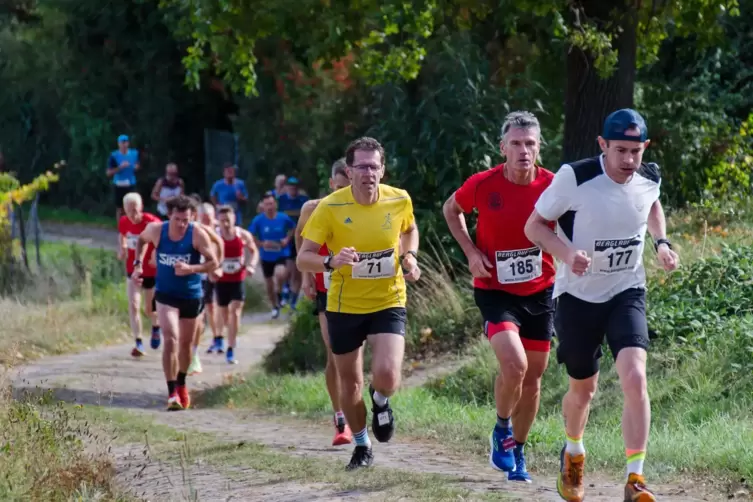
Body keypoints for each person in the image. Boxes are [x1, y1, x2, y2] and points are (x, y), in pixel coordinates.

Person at [524, 109, 679, 502]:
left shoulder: (649, 176)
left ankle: (635, 478)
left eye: (636, 151)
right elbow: (534, 225)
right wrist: (565, 253)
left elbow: (652, 204)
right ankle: (573, 450)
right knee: (584, 390)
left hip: (626, 290)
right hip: (577, 297)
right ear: (603, 146)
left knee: (635, 377)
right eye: (621, 151)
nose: (629, 160)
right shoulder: (574, 178)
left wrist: (661, 242)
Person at [442, 111, 555, 482]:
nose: (524, 151)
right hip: (495, 290)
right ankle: (501, 428)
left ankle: (518, 452)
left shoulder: (553, 187)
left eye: (531, 144)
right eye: (517, 144)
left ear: (539, 147)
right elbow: (451, 209)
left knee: (534, 379)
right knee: (515, 365)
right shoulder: (483, 184)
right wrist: (472, 252)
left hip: (541, 290)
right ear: (502, 147)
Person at [298, 137, 420, 470]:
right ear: (349, 171)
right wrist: (331, 262)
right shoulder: (330, 207)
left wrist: (409, 256)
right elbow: (303, 257)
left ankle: (381, 401)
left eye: (374, 166)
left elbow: (410, 229)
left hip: (388, 299)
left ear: (383, 169)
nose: (368, 172)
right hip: (343, 306)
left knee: (387, 374)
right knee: (349, 384)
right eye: (361, 166)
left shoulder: (399, 199)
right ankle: (362, 445)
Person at [133, 195, 219, 411]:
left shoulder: (197, 234)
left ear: (192, 218)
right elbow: (141, 240)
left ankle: (181, 382)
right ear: (169, 215)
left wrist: (192, 269)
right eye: (177, 219)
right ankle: (171, 391)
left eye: (186, 220)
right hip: (165, 294)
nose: (181, 224)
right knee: (170, 338)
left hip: (191, 295)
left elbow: (213, 262)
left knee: (186, 346)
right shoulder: (156, 230)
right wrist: (138, 265)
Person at [296, 158, 353, 446]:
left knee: (354, 358)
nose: (344, 193)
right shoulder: (312, 208)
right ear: (331, 184)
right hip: (326, 290)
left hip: (359, 291)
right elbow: (300, 240)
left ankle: (360, 408)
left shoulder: (364, 207)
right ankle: (340, 418)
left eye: (349, 187)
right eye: (340, 187)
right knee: (334, 353)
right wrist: (306, 276)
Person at [118, 192, 162, 356]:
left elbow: (162, 239)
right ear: (124, 210)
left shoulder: (152, 222)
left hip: (151, 271)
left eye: (136, 210)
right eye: (130, 211)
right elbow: (122, 235)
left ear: (141, 207)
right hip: (133, 270)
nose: (133, 215)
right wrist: (122, 248)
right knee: (133, 305)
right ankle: (138, 342)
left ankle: (156, 326)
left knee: (150, 309)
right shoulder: (123, 222)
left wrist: (154, 255)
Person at [215, 205, 259, 364]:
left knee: (235, 311)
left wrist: (251, 265)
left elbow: (254, 251)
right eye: (222, 221)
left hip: (237, 279)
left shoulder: (242, 234)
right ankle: (228, 335)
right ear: (217, 221)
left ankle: (231, 348)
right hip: (221, 280)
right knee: (225, 314)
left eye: (228, 220)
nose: (225, 224)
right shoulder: (215, 235)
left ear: (234, 219)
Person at [249, 192, 295, 319]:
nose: (269, 206)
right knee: (269, 284)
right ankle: (275, 306)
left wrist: (287, 239)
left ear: (275, 204)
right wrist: (260, 243)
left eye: (271, 203)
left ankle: (281, 293)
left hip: (281, 253)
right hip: (266, 256)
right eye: (266, 204)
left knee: (280, 274)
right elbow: (251, 235)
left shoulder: (283, 217)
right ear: (263, 206)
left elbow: (293, 228)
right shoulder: (258, 220)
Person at [196, 202, 225, 363]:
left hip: (218, 272)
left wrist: (219, 267)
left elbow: (224, 249)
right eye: (204, 218)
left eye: (209, 218)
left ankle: (218, 337)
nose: (206, 221)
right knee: (208, 307)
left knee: (216, 307)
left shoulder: (218, 231)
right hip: (202, 273)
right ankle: (214, 338)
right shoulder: (197, 231)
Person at [277, 177, 309, 310]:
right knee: (288, 270)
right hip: (286, 239)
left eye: (295, 186)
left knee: (298, 271)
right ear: (287, 187)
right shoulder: (281, 200)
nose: (293, 188)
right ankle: (285, 291)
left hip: (301, 236)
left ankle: (293, 301)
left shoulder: (303, 201)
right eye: (290, 186)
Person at [107, 134, 140, 221]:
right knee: (120, 207)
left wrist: (134, 167)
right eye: (122, 143)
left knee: (132, 205)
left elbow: (137, 165)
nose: (124, 145)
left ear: (128, 143)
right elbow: (109, 172)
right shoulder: (114, 156)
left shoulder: (134, 153)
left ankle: (132, 224)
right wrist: (120, 167)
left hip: (131, 183)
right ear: (119, 144)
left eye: (125, 143)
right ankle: (120, 227)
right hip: (119, 184)